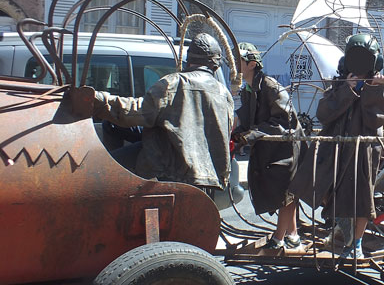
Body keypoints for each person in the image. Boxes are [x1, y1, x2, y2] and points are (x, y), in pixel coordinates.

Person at [290, 33, 384, 259]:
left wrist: (374, 90)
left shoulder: (378, 85)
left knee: (362, 197)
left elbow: (375, 120)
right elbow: (324, 113)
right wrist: (348, 89)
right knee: (325, 189)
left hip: (363, 151)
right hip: (334, 148)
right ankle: (341, 230)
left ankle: (356, 243)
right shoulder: (340, 82)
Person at [92, 33, 234, 190]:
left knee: (101, 171)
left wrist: (98, 100)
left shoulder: (173, 83)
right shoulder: (224, 94)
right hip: (208, 177)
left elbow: (134, 112)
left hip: (167, 169)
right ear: (215, 65)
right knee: (112, 126)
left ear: (189, 59)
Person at [232, 42, 304, 250]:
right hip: (271, 147)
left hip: (286, 147)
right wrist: (236, 131)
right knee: (287, 194)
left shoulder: (270, 86)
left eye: (239, 61)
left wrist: (250, 135)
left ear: (252, 64)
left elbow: (284, 121)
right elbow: (248, 114)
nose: (234, 65)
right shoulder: (248, 87)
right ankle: (293, 235)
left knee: (284, 193)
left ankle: (279, 238)